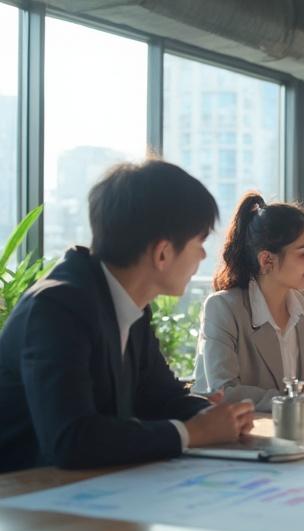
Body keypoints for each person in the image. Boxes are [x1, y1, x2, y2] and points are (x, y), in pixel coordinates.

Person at [0, 160, 254, 472]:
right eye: (199, 242)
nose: (203, 256)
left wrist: (212, 415)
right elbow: (72, 440)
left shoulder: (127, 303)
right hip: (22, 502)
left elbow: (161, 398)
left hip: (83, 494)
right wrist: (193, 433)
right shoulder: (57, 307)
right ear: (162, 253)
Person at [193, 193, 304, 413]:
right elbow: (225, 392)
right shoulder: (223, 308)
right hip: (241, 435)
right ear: (267, 260)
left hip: (301, 431)